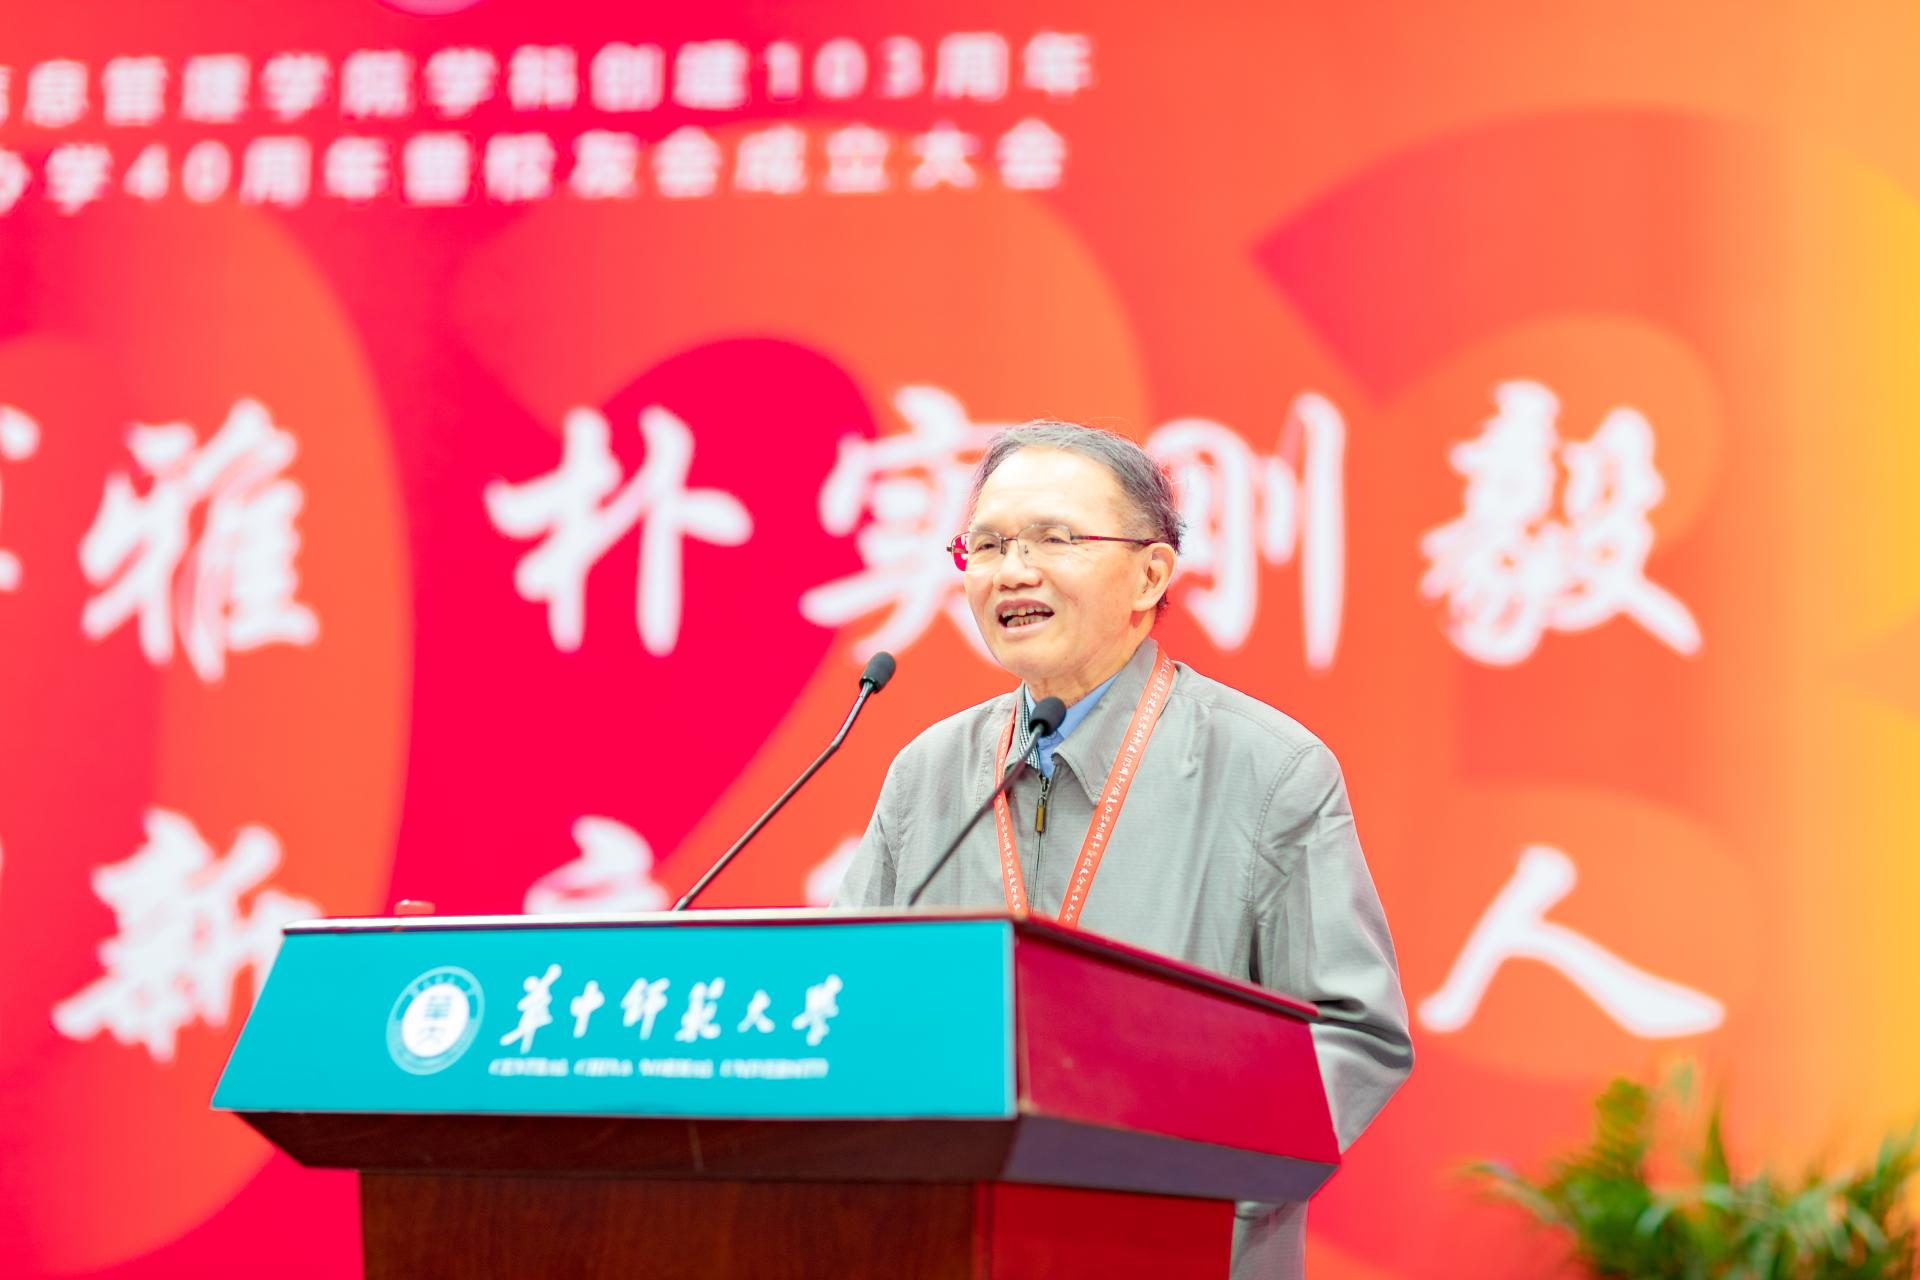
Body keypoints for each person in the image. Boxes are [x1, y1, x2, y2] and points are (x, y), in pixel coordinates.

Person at [834, 420, 1412, 1278]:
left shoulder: (1269, 771)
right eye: (987, 545)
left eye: (1054, 539)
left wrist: (1190, 1185)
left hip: (1177, 1250)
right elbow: (851, 1001)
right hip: (951, 1244)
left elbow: (1354, 1033)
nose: (1013, 570)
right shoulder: (928, 772)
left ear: (1151, 574)